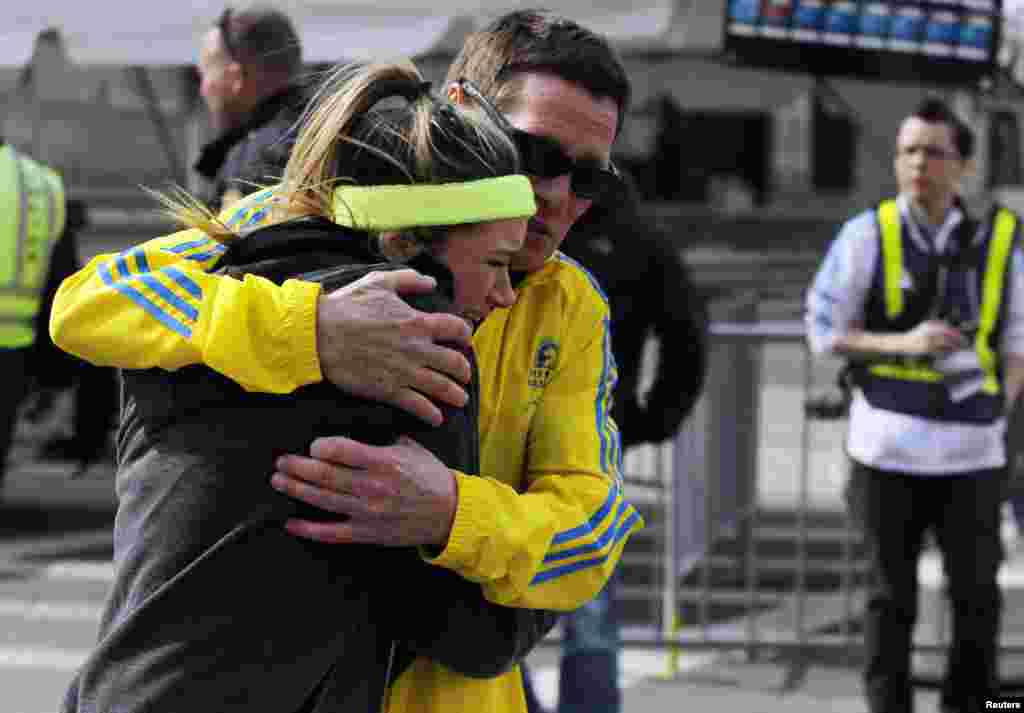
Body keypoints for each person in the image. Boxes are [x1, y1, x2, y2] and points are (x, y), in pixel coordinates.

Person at [51, 10, 643, 712]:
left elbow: (592, 528)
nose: (557, 196)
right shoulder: (311, 211)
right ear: (460, 114)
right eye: (538, 156)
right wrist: (312, 330)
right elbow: (91, 303)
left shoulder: (571, 306)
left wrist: (451, 513)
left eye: (588, 180)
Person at [806, 97, 1024, 713]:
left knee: (977, 600)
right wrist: (904, 343)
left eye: (934, 152)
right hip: (886, 454)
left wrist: (997, 408)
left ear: (965, 168)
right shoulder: (865, 234)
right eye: (908, 151)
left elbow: (1017, 340)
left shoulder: (1002, 240)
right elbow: (824, 331)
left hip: (973, 457)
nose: (918, 164)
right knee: (887, 601)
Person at [520, 178, 708, 713]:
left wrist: (653, 418)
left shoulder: (629, 233)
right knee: (578, 600)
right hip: (566, 435)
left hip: (583, 438)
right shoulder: (633, 231)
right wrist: (651, 419)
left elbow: (685, 334)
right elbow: (686, 333)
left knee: (580, 598)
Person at [194, 4, 306, 210]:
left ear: (235, 77)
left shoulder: (255, 158)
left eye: (205, 73)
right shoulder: (327, 124)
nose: (203, 89)